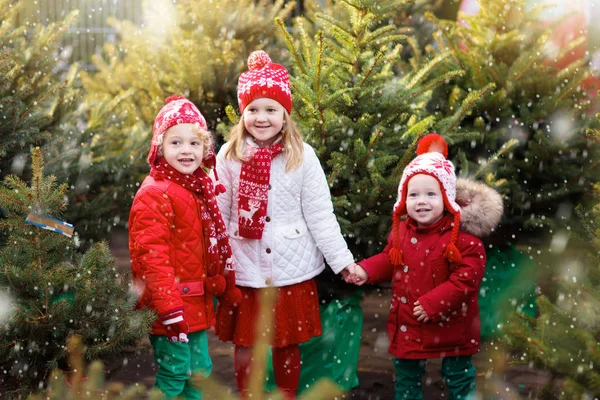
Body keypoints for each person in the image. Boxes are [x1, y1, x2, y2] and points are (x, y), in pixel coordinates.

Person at [214, 50, 358, 399]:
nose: (261, 118)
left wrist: (343, 261)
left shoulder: (303, 156)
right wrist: (213, 263)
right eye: (253, 110)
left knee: (286, 343)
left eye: (270, 109)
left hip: (289, 271)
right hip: (245, 269)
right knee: (246, 342)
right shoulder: (229, 156)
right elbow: (217, 214)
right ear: (242, 113)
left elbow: (320, 213)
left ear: (285, 113)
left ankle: (286, 394)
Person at [346, 133, 503, 400]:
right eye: (413, 194)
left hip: (451, 324)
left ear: (446, 198)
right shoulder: (401, 233)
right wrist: (365, 269)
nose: (421, 201)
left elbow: (466, 280)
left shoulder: (464, 241)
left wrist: (434, 303)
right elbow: (389, 259)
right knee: (407, 378)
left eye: (431, 194)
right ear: (403, 200)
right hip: (410, 322)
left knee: (458, 376)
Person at [128, 95, 240, 399]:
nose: (186, 150)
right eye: (175, 143)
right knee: (176, 370)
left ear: (205, 149)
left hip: (195, 302)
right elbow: (152, 258)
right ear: (159, 148)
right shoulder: (155, 193)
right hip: (172, 304)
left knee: (200, 371)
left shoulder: (197, 187)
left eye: (194, 143)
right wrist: (169, 309)